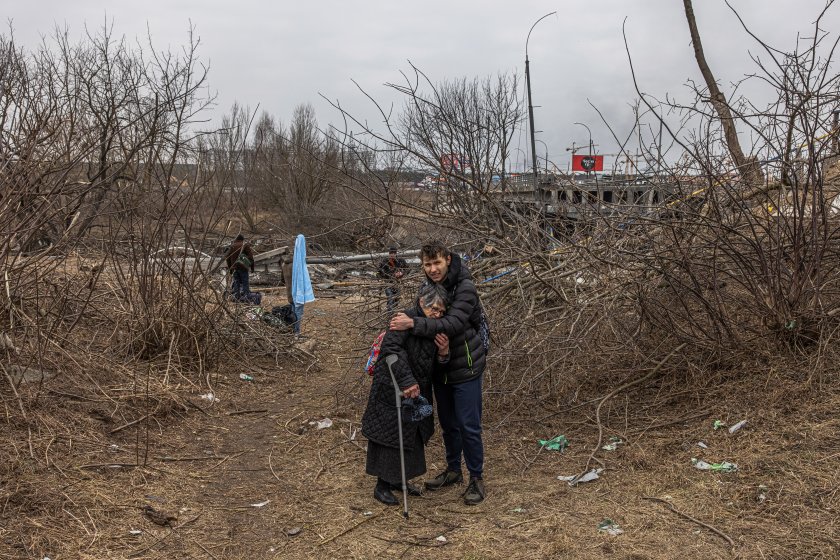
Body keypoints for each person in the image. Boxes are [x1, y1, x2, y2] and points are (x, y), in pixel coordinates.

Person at [389, 240, 487, 505]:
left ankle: (476, 478)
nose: (432, 269)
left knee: (469, 425)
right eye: (427, 264)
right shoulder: (427, 287)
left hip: (466, 365)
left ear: (448, 260)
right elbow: (422, 318)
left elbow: (453, 323)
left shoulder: (465, 287)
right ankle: (453, 470)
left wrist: (413, 323)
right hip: (440, 366)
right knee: (448, 424)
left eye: (437, 263)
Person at [362, 283, 451, 505]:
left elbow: (433, 367)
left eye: (441, 311)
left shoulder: (433, 328)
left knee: (411, 438)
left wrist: (443, 354)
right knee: (390, 437)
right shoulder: (403, 319)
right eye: (434, 309)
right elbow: (391, 350)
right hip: (392, 388)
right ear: (421, 302)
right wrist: (407, 381)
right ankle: (382, 486)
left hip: (416, 393)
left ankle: (398, 480)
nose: (437, 314)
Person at [290, 234, 315, 335]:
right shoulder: (298, 264)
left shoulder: (293, 263)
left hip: (291, 294)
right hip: (296, 294)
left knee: (294, 312)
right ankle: (296, 332)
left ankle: (293, 331)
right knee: (298, 312)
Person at [224, 234, 255, 301]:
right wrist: (252, 268)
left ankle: (236, 299)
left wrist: (230, 269)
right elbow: (251, 257)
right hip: (243, 268)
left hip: (234, 268)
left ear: (236, 239)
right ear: (242, 239)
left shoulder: (232, 246)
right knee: (245, 284)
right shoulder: (245, 245)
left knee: (236, 284)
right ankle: (246, 299)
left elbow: (228, 258)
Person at [377, 247, 408, 312]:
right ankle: (390, 314)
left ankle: (394, 312)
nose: (392, 254)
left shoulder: (401, 261)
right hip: (388, 283)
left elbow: (407, 269)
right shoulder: (384, 261)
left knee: (396, 299)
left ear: (396, 254)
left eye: (394, 253)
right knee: (390, 297)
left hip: (398, 283)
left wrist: (402, 273)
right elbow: (379, 272)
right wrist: (391, 275)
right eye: (391, 253)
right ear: (389, 253)